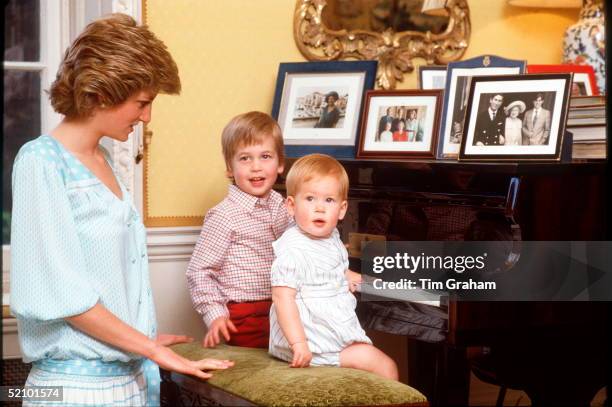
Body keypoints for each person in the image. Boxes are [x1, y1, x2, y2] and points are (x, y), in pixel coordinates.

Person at [10, 14, 233, 407]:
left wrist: (144, 342)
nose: (147, 117)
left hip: (126, 382)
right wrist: (152, 350)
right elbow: (63, 296)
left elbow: (107, 279)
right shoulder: (41, 161)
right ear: (101, 92)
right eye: (142, 103)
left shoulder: (105, 160)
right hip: (74, 391)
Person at [268, 154, 399, 380]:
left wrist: (361, 279)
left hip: (328, 333)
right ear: (291, 205)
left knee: (376, 370)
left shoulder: (331, 238)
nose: (319, 208)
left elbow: (337, 270)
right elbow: (282, 299)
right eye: (310, 199)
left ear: (341, 209)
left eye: (329, 200)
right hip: (310, 341)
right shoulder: (293, 250)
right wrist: (299, 344)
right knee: (386, 367)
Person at [187, 111, 291, 349]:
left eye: (265, 156)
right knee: (268, 374)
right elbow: (199, 271)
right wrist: (215, 314)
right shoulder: (223, 215)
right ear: (229, 168)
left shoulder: (286, 208)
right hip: (246, 314)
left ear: (281, 163)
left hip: (288, 307)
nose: (256, 167)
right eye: (245, 158)